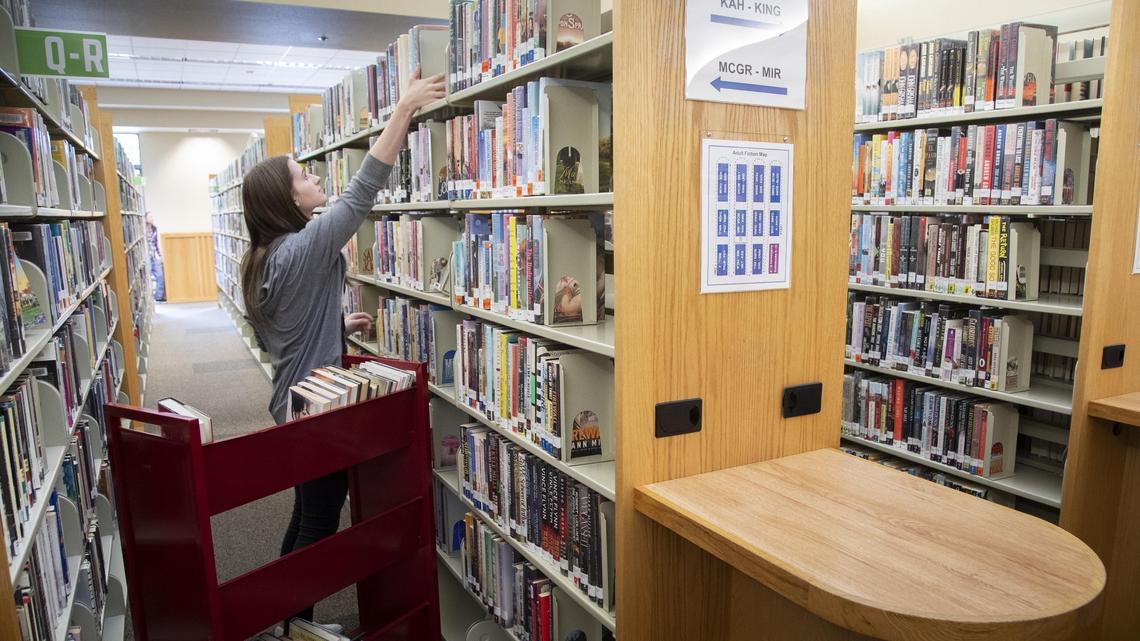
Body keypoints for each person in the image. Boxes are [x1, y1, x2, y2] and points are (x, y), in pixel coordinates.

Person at [238, 68, 445, 630]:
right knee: (319, 524)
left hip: (291, 401)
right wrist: (403, 109)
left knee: (307, 513)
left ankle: (287, 621)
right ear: (287, 198)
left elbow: (279, 332)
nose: (314, 178)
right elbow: (362, 192)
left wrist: (331, 322)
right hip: (317, 408)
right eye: (303, 175)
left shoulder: (264, 258)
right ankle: (296, 626)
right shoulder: (300, 249)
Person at [145, 212, 166, 301]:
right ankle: (148, 297)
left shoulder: (154, 229)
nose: (152, 218)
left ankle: (159, 296)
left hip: (154, 254)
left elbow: (156, 243)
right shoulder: (142, 229)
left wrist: (160, 255)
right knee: (147, 276)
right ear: (145, 218)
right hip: (146, 255)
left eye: (152, 216)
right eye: (149, 216)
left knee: (160, 275)